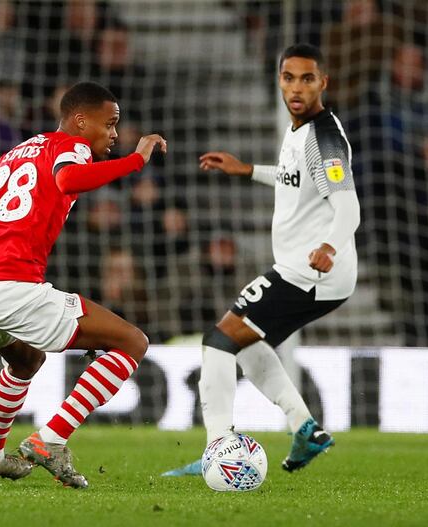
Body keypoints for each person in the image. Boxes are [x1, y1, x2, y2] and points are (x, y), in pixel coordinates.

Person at [0, 81, 166, 488]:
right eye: (110, 123)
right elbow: (67, 181)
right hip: (13, 286)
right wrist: (135, 161)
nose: (115, 133)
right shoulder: (72, 147)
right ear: (81, 121)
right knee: (132, 342)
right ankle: (51, 439)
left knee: (25, 361)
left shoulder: (12, 155)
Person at [163, 44, 360, 477]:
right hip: (308, 270)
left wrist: (329, 246)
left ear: (323, 83)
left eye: (307, 79)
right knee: (248, 345)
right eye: (289, 77)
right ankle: (304, 428)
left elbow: (348, 207)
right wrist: (249, 170)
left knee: (219, 340)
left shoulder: (323, 136)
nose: (296, 87)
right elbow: (294, 178)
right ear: (279, 79)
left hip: (310, 271)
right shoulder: (298, 132)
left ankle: (218, 448)